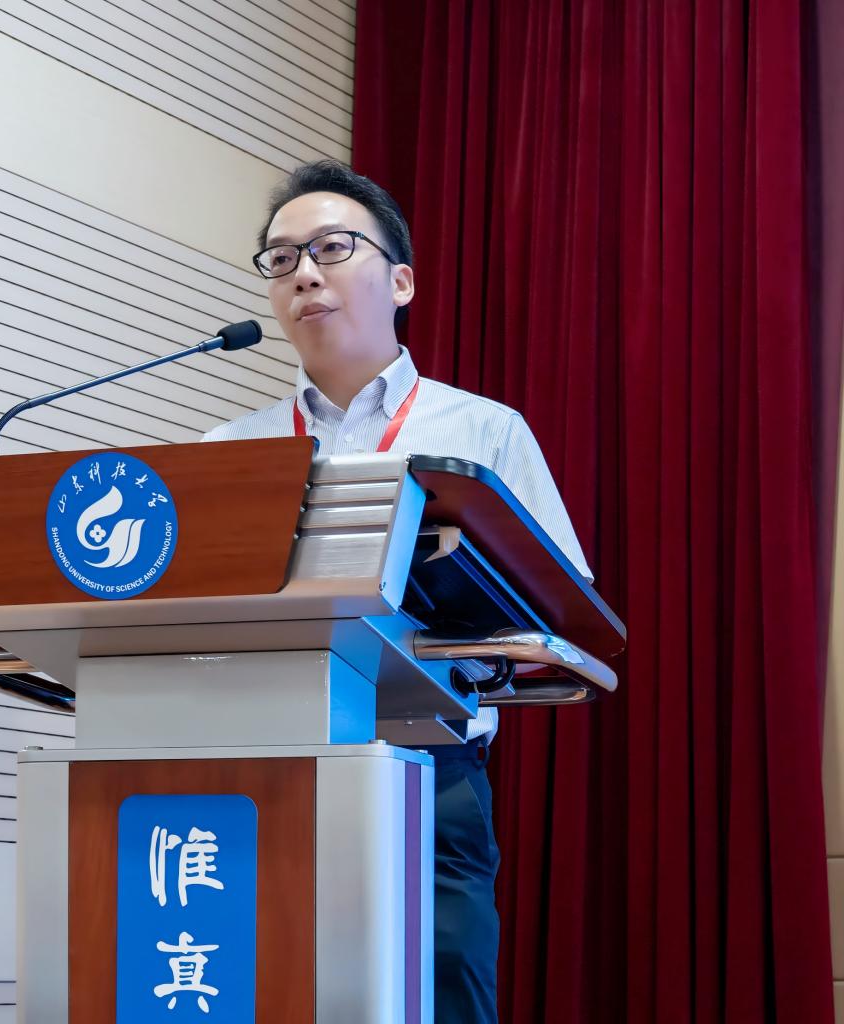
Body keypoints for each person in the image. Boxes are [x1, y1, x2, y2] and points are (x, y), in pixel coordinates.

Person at [202, 160, 591, 1024]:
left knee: (445, 995)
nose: (305, 274)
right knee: (275, 994)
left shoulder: (483, 430)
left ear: (402, 281)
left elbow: (562, 605)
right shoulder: (229, 448)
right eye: (281, 259)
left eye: (332, 248)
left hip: (431, 764)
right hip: (262, 763)